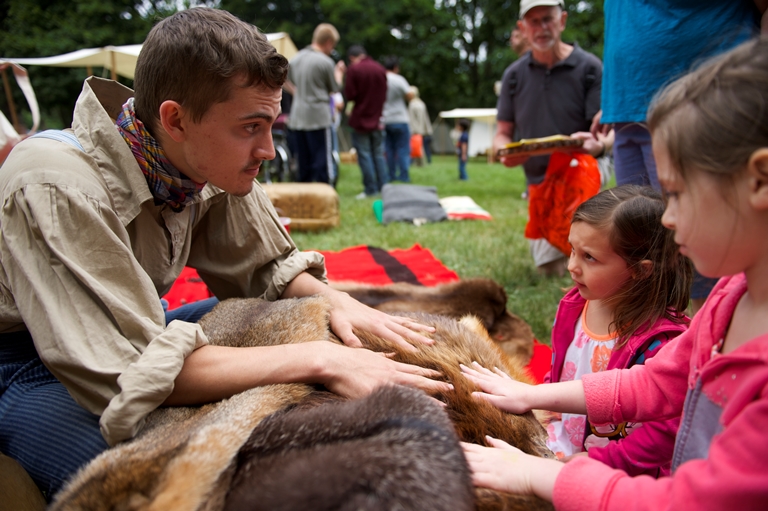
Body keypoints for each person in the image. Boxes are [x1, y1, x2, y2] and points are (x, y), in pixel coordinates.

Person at [0, 8, 450, 500]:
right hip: (24, 363)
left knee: (306, 315)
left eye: (271, 124)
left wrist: (335, 303)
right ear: (175, 119)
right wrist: (319, 360)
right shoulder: (55, 182)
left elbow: (267, 269)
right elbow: (134, 371)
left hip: (140, 329)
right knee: (157, 481)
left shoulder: (195, 155)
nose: (269, 150)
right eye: (251, 127)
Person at [460, 37, 768, 510]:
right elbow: (653, 383)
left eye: (678, 194)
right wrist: (528, 395)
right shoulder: (730, 296)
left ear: (759, 180)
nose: (668, 218)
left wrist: (547, 476)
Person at [589, 1, 761, 315]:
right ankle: (668, 331)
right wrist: (616, 99)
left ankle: (717, 324)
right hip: (627, 104)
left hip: (705, 104)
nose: (668, 214)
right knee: (646, 239)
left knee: (703, 234)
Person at [541, 185, 691, 476]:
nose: (572, 266)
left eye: (589, 257)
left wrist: (601, 462)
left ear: (640, 269)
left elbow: (664, 433)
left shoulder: (660, 343)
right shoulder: (575, 303)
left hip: (617, 470)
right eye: (572, 250)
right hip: (565, 444)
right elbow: (560, 368)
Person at [494, 0, 605, 277]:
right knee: (548, 268)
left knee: (582, 253)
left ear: (562, 20)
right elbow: (502, 133)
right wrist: (502, 152)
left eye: (548, 19)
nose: (542, 27)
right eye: (534, 21)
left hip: (581, 169)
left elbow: (608, 131)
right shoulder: (513, 76)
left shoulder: (590, 67)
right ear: (523, 28)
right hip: (538, 180)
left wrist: (600, 145)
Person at [286, 23, 346, 185]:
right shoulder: (325, 61)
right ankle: (325, 195)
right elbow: (335, 88)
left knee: (303, 163)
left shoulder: (296, 58)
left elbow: (282, 79)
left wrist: (296, 92)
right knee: (322, 162)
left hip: (298, 117)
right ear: (328, 42)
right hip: (318, 117)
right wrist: (339, 74)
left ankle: (305, 199)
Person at [344, 45, 389, 199]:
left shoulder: (354, 70)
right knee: (378, 154)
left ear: (352, 58)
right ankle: (384, 187)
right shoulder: (380, 69)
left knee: (364, 155)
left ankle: (370, 189)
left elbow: (350, 94)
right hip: (378, 119)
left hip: (361, 119)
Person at [382, 56, 414, 182]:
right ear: (395, 67)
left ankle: (390, 175)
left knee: (388, 149)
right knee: (402, 149)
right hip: (400, 119)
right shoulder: (398, 79)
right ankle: (404, 176)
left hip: (385, 120)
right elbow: (410, 95)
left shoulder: (381, 79)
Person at [407, 86, 433, 166]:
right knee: (419, 146)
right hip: (421, 129)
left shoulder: (412, 104)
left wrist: (411, 129)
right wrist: (427, 129)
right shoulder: (422, 103)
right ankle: (419, 163)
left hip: (414, 130)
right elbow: (425, 118)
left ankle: (417, 163)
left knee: (415, 146)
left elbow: (411, 119)